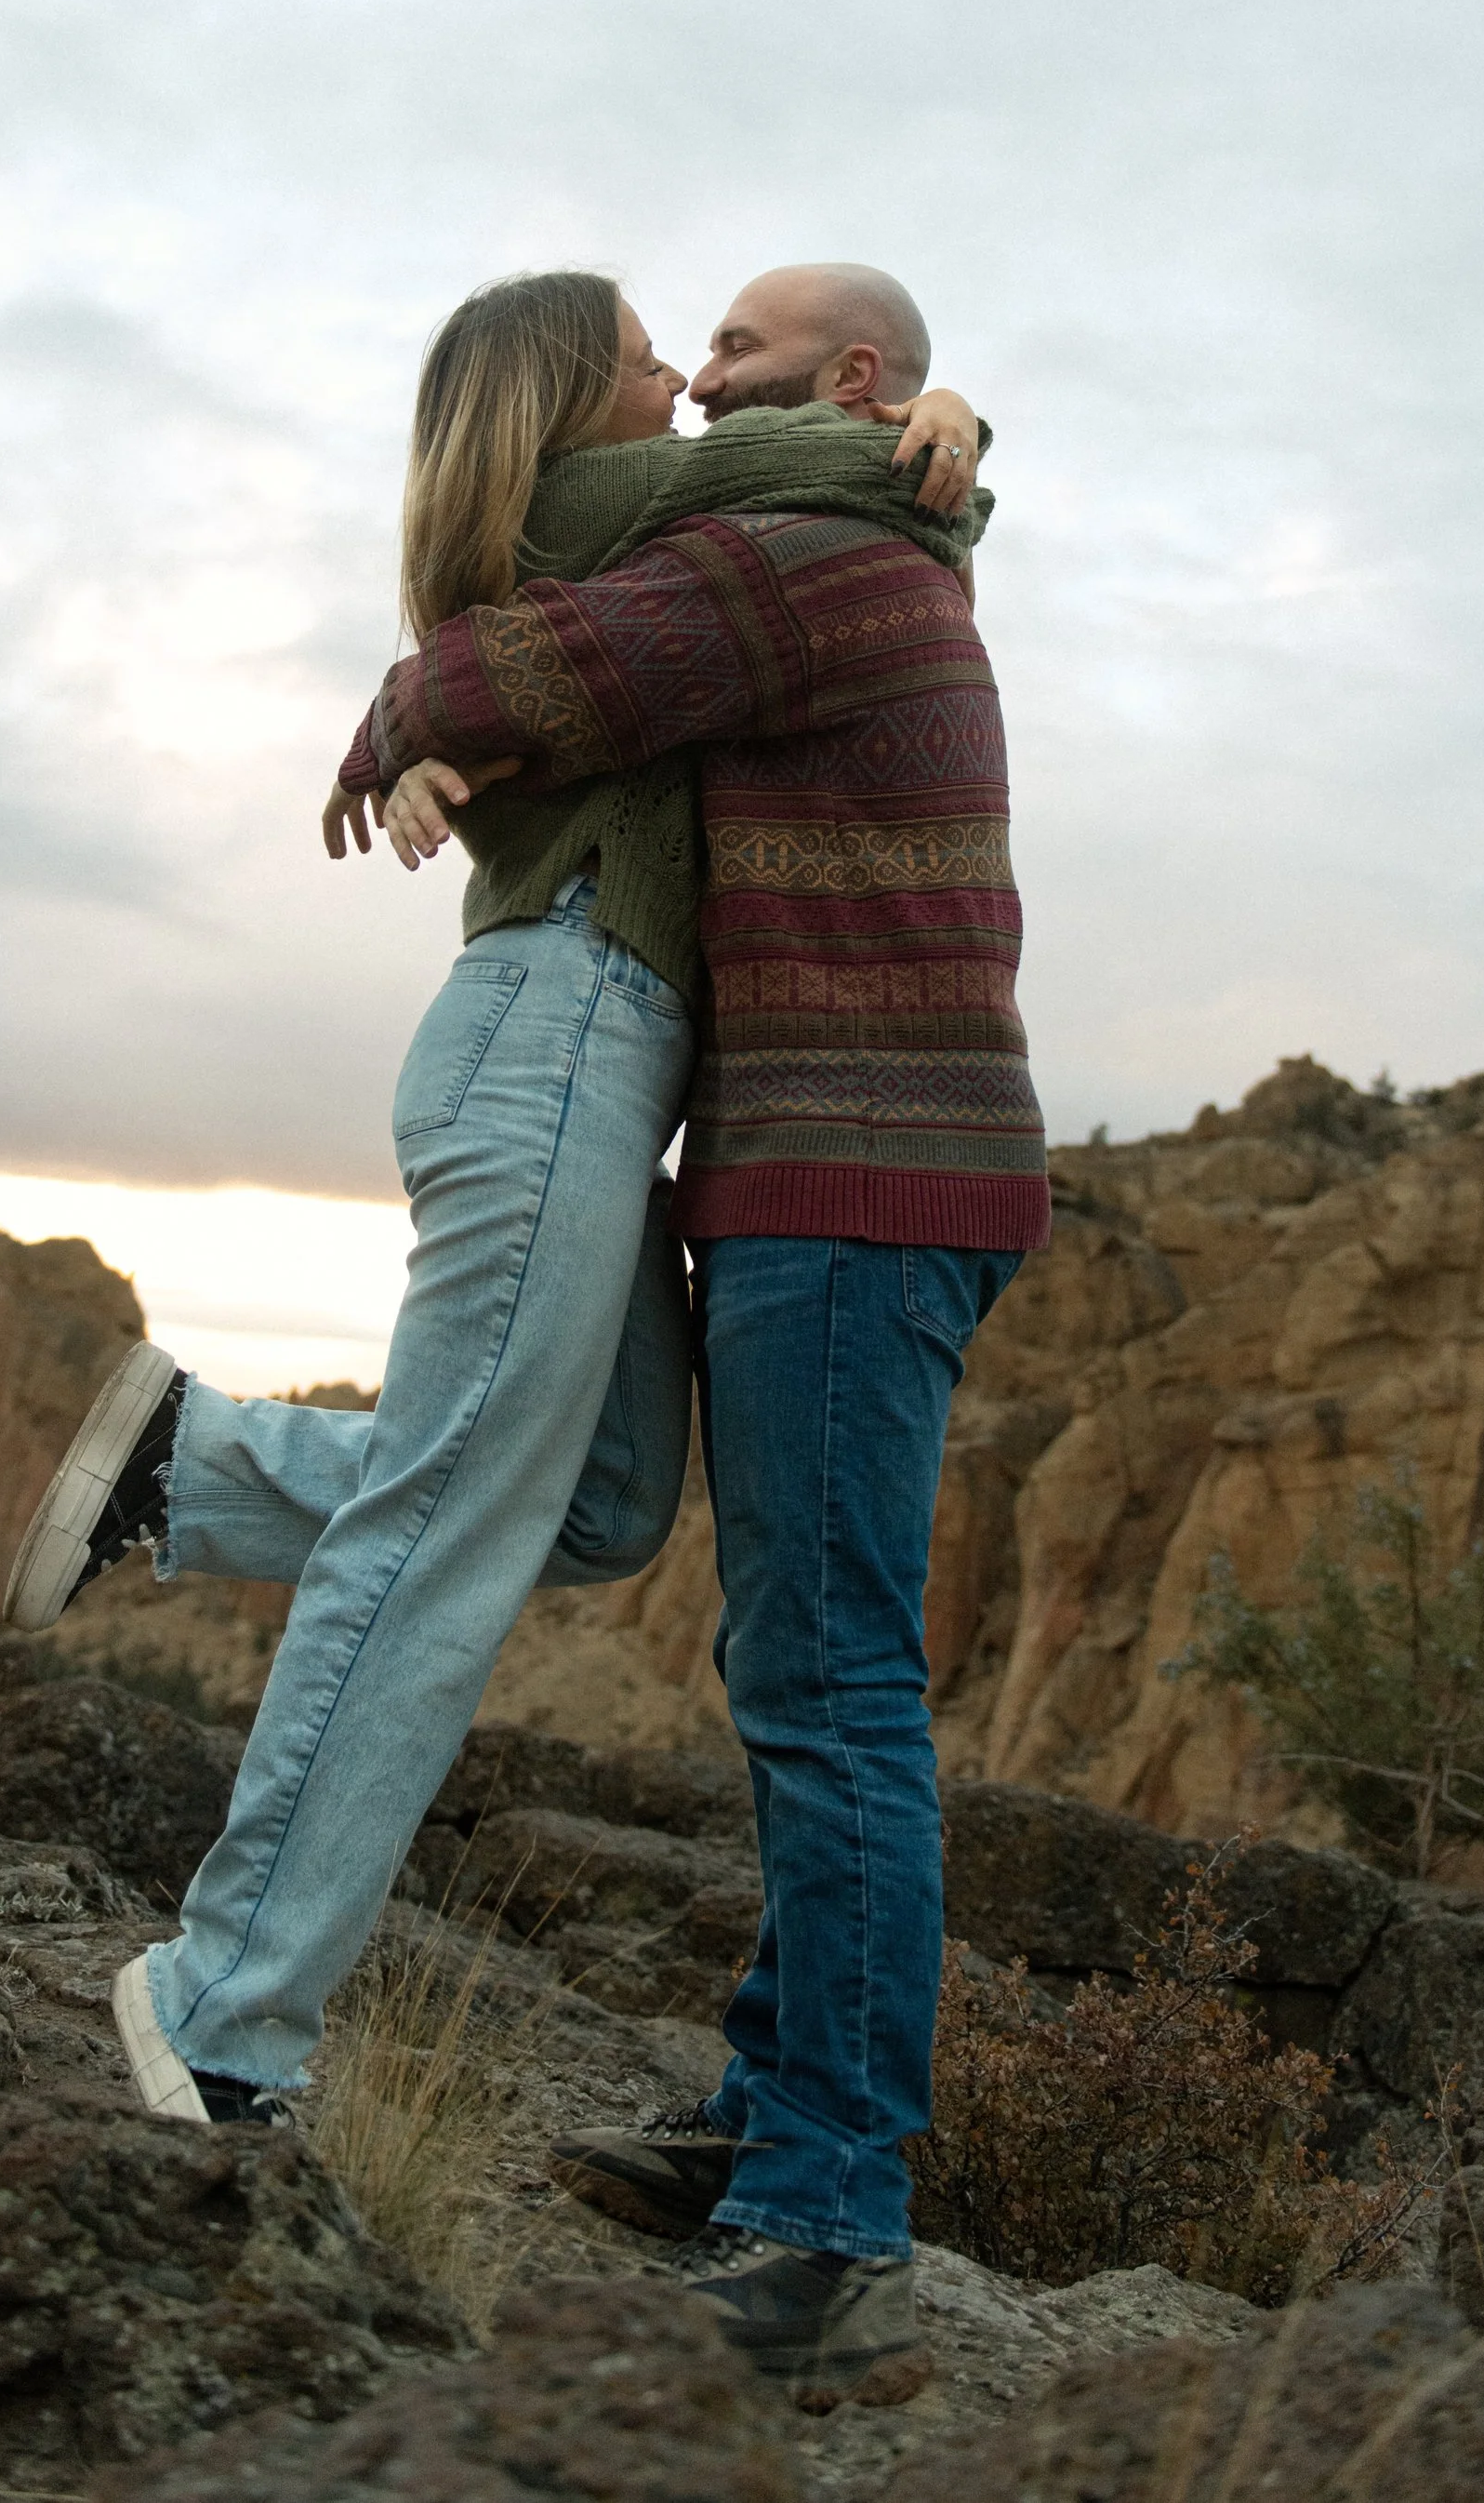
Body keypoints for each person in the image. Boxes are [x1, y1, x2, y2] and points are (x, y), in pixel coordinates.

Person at [0, 266, 985, 2139]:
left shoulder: (642, 529)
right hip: (557, 1030)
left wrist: (948, 422)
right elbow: (858, 491)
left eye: (711, 355)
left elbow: (845, 506)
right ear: (557, 404)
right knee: (446, 1526)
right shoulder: (623, 502)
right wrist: (944, 434)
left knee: (602, 1507)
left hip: (590, 1057)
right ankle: (223, 2006)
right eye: (649, 355)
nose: (685, 381)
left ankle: (192, 1464)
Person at [329, 261, 1049, 2396]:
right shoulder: (861, 523)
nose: (702, 382)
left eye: (736, 353)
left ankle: (829, 2215)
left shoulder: (809, 557)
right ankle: (769, 2104)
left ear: (847, 379)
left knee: (829, 1691)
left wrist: (398, 720)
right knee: (795, 1671)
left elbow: (535, 656)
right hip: (832, 1177)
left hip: (851, 1179)